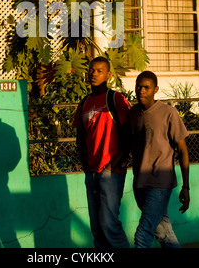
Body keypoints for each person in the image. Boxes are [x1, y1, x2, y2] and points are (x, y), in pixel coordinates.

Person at [72, 56, 131, 249]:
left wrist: (111, 165)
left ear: (108, 74)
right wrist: (86, 168)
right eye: (91, 70)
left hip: (111, 173)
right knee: (97, 230)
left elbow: (128, 136)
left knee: (109, 225)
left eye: (98, 70)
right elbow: (80, 137)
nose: (93, 74)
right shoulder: (84, 102)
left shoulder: (116, 99)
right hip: (92, 172)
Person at [130, 70, 190, 248]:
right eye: (138, 87)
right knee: (164, 234)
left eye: (146, 88)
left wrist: (186, 187)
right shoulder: (133, 113)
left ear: (156, 90)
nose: (141, 91)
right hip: (139, 183)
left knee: (142, 235)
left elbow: (183, 152)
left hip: (160, 184)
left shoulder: (169, 113)